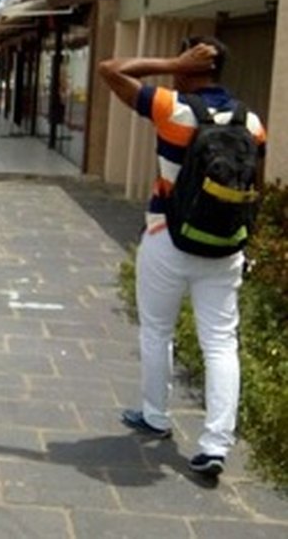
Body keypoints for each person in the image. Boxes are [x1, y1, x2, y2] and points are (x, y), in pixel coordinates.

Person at [97, 36, 267, 477]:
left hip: (167, 236)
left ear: (190, 64)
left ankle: (155, 415)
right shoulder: (252, 123)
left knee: (157, 330)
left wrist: (171, 61)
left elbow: (110, 69)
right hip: (226, 245)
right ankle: (215, 444)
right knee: (220, 342)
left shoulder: (172, 108)